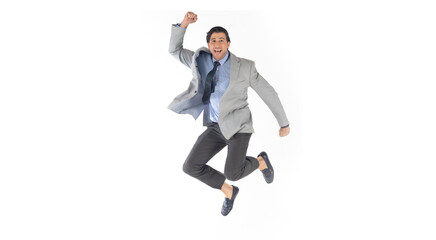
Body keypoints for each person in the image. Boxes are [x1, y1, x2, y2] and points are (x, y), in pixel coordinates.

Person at [168, 11, 290, 216]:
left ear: (228, 44)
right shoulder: (199, 60)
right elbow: (174, 50)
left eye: (221, 40)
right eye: (213, 40)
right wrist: (184, 24)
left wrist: (283, 123)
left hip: (238, 127)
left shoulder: (245, 67)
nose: (217, 44)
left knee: (233, 172)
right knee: (190, 166)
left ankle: (260, 162)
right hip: (216, 127)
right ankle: (228, 191)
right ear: (208, 45)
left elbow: (268, 92)